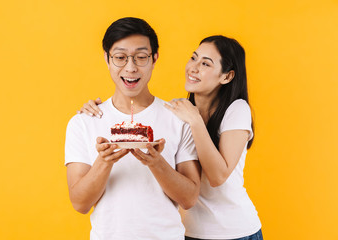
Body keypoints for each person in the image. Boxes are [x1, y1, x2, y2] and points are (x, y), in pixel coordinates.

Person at [80, 35, 263, 239]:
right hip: (188, 232)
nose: (193, 68)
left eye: (205, 64)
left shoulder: (236, 110)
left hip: (234, 231)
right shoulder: (178, 109)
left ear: (227, 77)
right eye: (193, 58)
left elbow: (217, 177)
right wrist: (95, 109)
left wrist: (195, 121)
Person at [65, 17, 201, 240]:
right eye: (120, 57)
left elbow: (189, 199)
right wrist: (105, 160)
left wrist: (156, 162)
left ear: (154, 58)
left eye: (141, 57)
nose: (130, 67)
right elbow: (80, 203)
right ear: (107, 59)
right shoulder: (83, 122)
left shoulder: (178, 119)